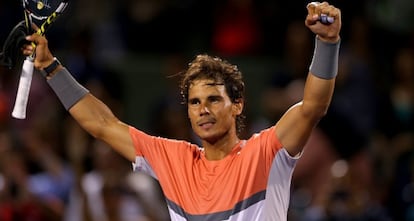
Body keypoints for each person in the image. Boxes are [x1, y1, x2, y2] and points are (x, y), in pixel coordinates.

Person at [21, 2, 341, 220]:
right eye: (195, 102)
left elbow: (313, 106)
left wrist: (327, 43)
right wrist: (50, 66)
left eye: (214, 100)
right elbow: (102, 124)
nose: (203, 110)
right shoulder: (172, 158)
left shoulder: (266, 152)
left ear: (237, 105)